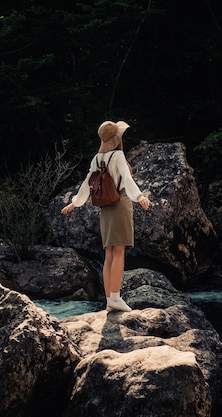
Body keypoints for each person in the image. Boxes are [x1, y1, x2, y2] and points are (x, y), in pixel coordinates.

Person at [61, 120, 150, 312]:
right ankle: (116, 298)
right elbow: (127, 180)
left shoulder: (97, 159)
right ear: (117, 139)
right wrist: (140, 196)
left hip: (105, 207)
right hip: (119, 204)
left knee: (109, 253)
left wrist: (75, 203)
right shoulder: (118, 155)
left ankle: (110, 298)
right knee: (119, 252)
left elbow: (88, 183)